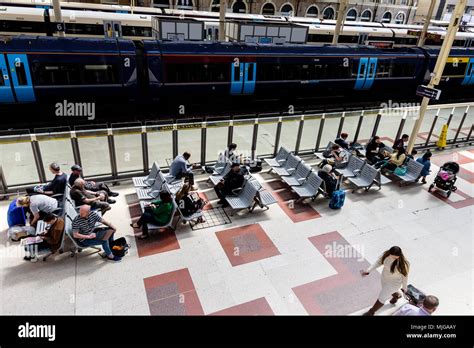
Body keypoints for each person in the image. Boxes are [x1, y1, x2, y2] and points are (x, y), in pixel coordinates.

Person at [361, 246, 410, 316]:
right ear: (390, 253)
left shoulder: (403, 264)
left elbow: (405, 277)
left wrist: (405, 288)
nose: (395, 258)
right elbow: (379, 262)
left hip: (394, 284)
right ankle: (396, 295)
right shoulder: (386, 255)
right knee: (386, 291)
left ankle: (371, 312)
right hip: (384, 279)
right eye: (393, 256)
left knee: (382, 297)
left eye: (397, 256)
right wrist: (369, 270)